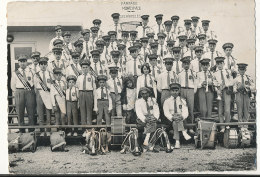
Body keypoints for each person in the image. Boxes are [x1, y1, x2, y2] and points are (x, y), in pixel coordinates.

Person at [11, 55, 36, 133]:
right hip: (19, 92)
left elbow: (34, 82)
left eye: (24, 61)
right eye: (21, 61)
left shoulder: (31, 71)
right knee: (20, 112)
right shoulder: (15, 73)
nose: (22, 63)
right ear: (18, 63)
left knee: (31, 112)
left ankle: (31, 131)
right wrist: (18, 92)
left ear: (26, 62)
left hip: (29, 92)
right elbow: (13, 85)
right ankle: (21, 131)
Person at [163, 83, 191, 149]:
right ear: (170, 91)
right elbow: (166, 112)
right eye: (173, 91)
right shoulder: (167, 101)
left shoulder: (182, 100)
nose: (175, 92)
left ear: (179, 91)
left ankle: (177, 141)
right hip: (170, 119)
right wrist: (172, 117)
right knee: (175, 121)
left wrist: (182, 116)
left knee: (176, 122)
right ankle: (184, 132)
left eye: (176, 91)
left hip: (180, 119)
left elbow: (185, 111)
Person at [135, 87, 160, 151]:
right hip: (142, 118)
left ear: (149, 93)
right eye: (143, 94)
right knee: (151, 123)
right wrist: (145, 119)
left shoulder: (153, 100)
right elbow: (139, 113)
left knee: (152, 122)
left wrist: (155, 117)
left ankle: (146, 141)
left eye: (146, 93)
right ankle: (150, 144)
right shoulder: (138, 101)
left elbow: (156, 110)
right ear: (141, 94)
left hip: (152, 117)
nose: (145, 95)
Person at [213, 57, 234, 132]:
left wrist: (225, 85)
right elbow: (214, 83)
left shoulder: (228, 71)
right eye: (218, 64)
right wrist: (217, 90)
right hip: (219, 92)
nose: (219, 65)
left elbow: (231, 82)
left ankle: (227, 124)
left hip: (226, 90)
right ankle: (222, 127)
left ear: (223, 64)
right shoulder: (215, 74)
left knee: (227, 110)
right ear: (216, 64)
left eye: (221, 63)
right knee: (220, 110)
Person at [34, 57, 53, 136]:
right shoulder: (36, 75)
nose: (43, 66)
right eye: (41, 64)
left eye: (44, 64)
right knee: (40, 112)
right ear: (39, 65)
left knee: (48, 112)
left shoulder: (50, 74)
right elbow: (35, 85)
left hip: (48, 94)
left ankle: (48, 130)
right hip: (40, 93)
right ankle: (42, 130)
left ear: (47, 64)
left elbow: (52, 85)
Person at [178, 56, 197, 133]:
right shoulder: (179, 74)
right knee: (183, 109)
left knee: (190, 108)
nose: (186, 65)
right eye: (185, 64)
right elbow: (178, 84)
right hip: (182, 90)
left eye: (187, 64)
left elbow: (195, 83)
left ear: (189, 64)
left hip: (190, 90)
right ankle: (184, 126)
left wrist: (193, 91)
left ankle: (191, 127)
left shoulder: (193, 73)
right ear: (182, 65)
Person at [76, 59, 96, 125]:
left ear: (89, 68)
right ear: (81, 68)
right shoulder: (79, 77)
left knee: (89, 110)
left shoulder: (92, 77)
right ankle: (83, 127)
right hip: (81, 93)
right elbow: (77, 87)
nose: (85, 69)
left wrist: (93, 97)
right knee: (82, 111)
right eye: (83, 67)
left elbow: (94, 88)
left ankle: (89, 127)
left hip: (89, 93)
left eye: (86, 67)